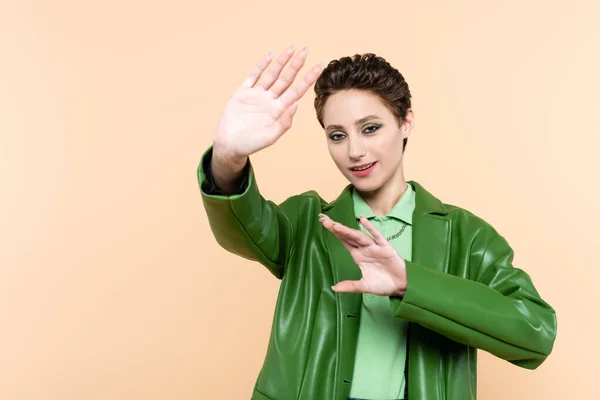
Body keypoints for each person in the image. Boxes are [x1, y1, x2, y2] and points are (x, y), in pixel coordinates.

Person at [197, 45, 557, 400]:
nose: (354, 151)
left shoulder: (467, 236)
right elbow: (242, 225)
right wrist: (228, 157)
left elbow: (535, 332)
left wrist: (408, 283)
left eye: (369, 128)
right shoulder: (305, 222)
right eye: (337, 135)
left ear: (406, 123)